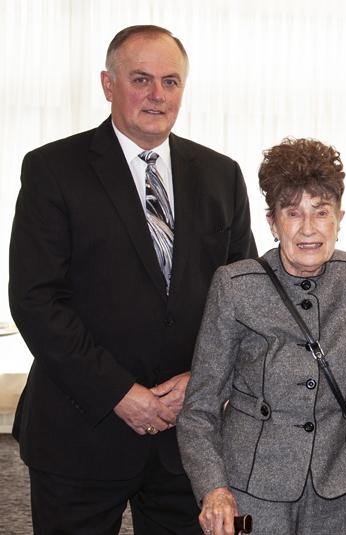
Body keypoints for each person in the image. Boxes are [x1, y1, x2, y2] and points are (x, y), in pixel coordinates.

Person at [8, 25, 257, 534]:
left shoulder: (221, 175)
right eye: (141, 79)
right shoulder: (52, 169)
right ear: (107, 83)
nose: (156, 95)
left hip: (188, 436)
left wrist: (203, 381)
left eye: (170, 82)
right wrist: (121, 393)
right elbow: (36, 301)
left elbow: (245, 298)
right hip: (81, 427)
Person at [177, 137, 346, 535]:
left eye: (321, 212)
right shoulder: (236, 286)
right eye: (293, 213)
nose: (308, 229)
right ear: (272, 222)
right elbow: (200, 406)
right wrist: (213, 488)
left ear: (339, 219)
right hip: (250, 484)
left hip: (335, 483)